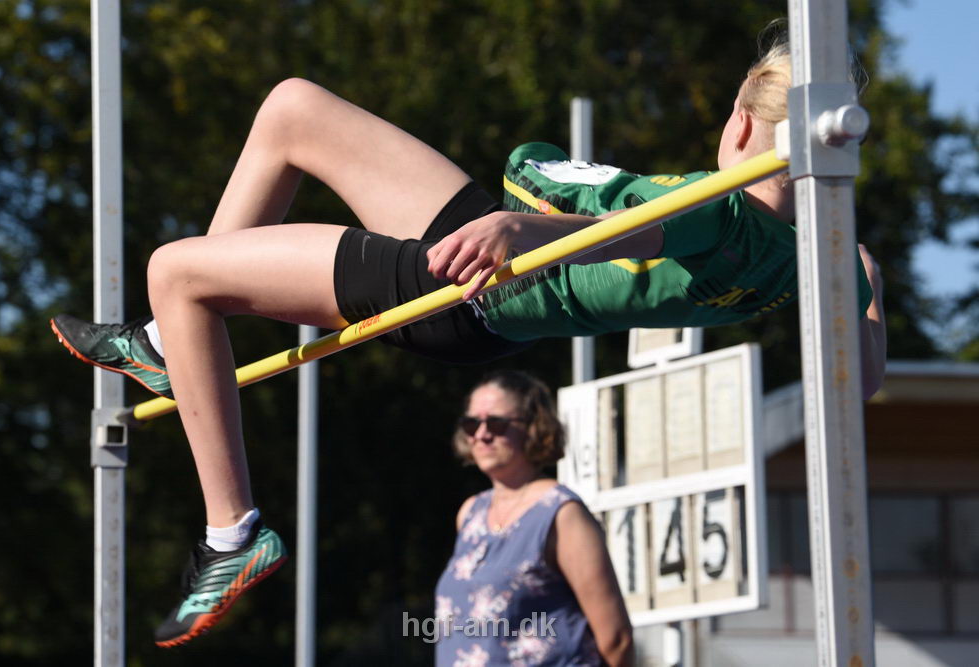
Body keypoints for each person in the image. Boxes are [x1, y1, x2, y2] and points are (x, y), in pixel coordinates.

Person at [50, 27, 886, 646]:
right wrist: (868, 285)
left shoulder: (721, 204)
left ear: (742, 123)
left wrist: (523, 233)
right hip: (495, 264)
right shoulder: (818, 255)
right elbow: (864, 378)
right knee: (292, 109)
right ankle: (172, 344)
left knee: (176, 267)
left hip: (465, 292)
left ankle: (230, 531)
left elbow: (625, 227)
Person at [434, 370, 633, 666]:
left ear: (534, 427)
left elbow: (615, 638)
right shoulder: (470, 513)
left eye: (497, 423)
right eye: (471, 423)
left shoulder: (562, 513)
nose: (482, 434)